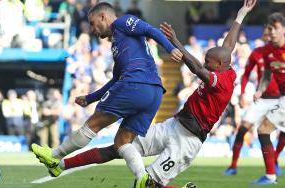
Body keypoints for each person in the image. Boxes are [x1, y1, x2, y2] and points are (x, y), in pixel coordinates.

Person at [33, 1, 256, 188]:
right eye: (206, 60)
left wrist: (175, 44)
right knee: (118, 147)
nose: (206, 64)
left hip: (188, 140)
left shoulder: (223, 81)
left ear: (219, 64)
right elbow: (228, 44)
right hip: (173, 125)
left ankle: (56, 155)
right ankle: (60, 165)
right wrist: (241, 14)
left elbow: (197, 69)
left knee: (149, 184)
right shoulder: (223, 62)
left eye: (209, 62)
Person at [31, 2, 181, 186]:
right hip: (154, 93)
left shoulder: (123, 22)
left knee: (93, 124)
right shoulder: (119, 43)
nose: (93, 29)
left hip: (135, 84)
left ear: (103, 16)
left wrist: (170, 47)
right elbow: (115, 80)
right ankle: (143, 177)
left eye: (94, 24)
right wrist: (90, 98)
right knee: (122, 142)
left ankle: (54, 155)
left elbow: (150, 30)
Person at [223, 26, 282, 176]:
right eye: (267, 34)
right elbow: (246, 74)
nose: (269, 36)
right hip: (262, 99)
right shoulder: (257, 53)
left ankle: (274, 161)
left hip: (281, 99)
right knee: (242, 129)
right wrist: (242, 93)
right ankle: (233, 165)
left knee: (281, 132)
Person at [252, 12, 285, 185]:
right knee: (264, 129)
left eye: (275, 28)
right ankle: (271, 173)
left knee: (263, 129)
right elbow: (266, 74)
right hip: (282, 98)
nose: (271, 32)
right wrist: (260, 90)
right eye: (269, 28)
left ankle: (270, 175)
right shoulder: (268, 51)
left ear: (283, 30)